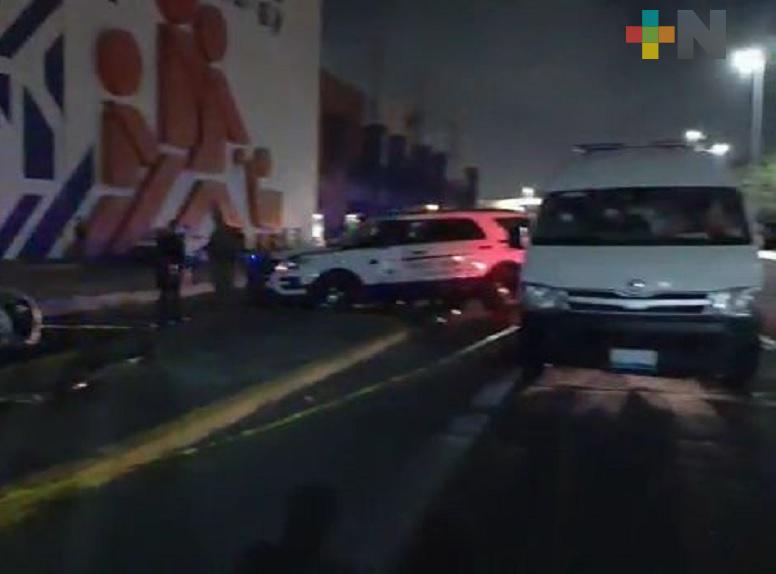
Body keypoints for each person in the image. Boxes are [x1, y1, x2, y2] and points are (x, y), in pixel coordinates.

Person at [207, 210, 242, 304]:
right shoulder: (224, 231)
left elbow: (212, 248)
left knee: (222, 281)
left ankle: (223, 300)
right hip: (225, 261)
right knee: (225, 281)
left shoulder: (218, 233)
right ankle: (226, 299)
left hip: (222, 262)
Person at [155, 221, 186, 326]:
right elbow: (179, 257)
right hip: (172, 267)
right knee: (174, 292)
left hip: (162, 268)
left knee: (164, 293)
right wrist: (179, 269)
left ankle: (162, 317)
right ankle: (176, 316)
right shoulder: (176, 241)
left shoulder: (161, 240)